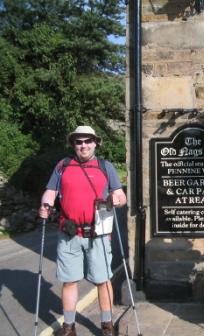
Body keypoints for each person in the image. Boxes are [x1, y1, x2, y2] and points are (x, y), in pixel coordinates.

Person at [38, 126, 126, 336]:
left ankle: (107, 326)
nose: (83, 145)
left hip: (99, 234)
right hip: (69, 234)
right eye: (79, 142)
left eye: (87, 141)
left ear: (96, 142)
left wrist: (117, 199)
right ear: (73, 145)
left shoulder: (106, 166)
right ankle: (69, 327)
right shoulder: (63, 166)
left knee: (103, 280)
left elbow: (121, 196)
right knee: (69, 280)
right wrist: (45, 205)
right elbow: (51, 191)